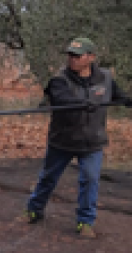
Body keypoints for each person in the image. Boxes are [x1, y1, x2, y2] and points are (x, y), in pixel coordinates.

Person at [23, 37, 132, 238]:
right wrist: (83, 102)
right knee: (48, 177)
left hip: (92, 141)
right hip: (62, 141)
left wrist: (127, 101)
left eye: (77, 56)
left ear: (91, 57)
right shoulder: (59, 79)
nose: (72, 59)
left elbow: (119, 95)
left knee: (90, 179)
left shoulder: (105, 78)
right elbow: (61, 98)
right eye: (70, 55)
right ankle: (34, 210)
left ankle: (85, 222)